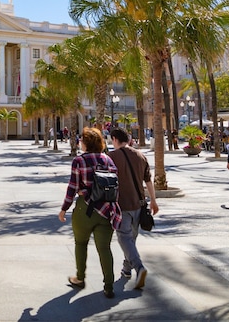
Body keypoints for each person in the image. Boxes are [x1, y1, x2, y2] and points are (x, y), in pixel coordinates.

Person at [58, 127, 121, 299]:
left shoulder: (79, 161)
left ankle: (80, 277)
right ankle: (109, 286)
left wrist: (64, 208)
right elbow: (116, 186)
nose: (80, 142)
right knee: (104, 248)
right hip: (107, 210)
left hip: (85, 209)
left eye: (81, 140)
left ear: (86, 143)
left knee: (81, 243)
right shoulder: (108, 160)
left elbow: (72, 187)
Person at [109, 128, 158, 290]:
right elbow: (148, 180)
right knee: (131, 240)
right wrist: (153, 201)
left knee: (124, 238)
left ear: (114, 139)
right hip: (139, 204)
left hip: (122, 205)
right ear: (128, 139)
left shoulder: (111, 157)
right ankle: (126, 269)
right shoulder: (140, 156)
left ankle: (139, 268)